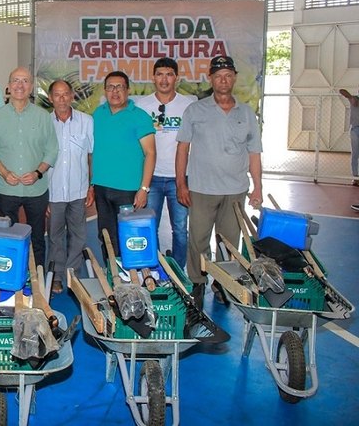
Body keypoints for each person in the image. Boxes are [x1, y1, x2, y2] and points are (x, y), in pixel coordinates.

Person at [176, 55, 263, 309]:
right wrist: (181, 184)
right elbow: (183, 149)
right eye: (218, 76)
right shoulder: (195, 110)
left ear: (234, 78)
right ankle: (198, 282)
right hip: (202, 188)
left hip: (235, 190)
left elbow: (254, 153)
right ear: (210, 79)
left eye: (227, 75)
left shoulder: (247, 114)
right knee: (199, 239)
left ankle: (222, 283)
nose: (223, 80)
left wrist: (258, 186)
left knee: (228, 241)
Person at [0, 67, 58, 267]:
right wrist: (3, 172)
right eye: (16, 81)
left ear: (31, 87)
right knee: (8, 236)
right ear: (8, 87)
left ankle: (38, 279)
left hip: (36, 189)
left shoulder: (43, 116)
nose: (20, 85)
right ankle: (11, 274)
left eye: (25, 81)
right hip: (6, 188)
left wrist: (38, 172)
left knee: (37, 237)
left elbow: (52, 149)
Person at [135, 58, 196, 268]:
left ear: (176, 78)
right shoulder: (142, 106)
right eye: (160, 74)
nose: (164, 79)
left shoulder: (188, 105)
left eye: (169, 74)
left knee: (180, 228)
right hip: (151, 178)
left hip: (179, 178)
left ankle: (178, 270)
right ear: (153, 78)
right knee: (149, 226)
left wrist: (185, 182)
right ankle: (156, 267)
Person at [92, 71, 156, 257]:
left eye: (119, 87)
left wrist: (144, 188)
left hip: (128, 191)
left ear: (128, 90)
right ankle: (113, 276)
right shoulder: (98, 114)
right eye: (110, 87)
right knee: (105, 236)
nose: (115, 91)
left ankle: (132, 279)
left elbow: (150, 153)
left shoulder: (140, 116)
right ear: (105, 91)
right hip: (102, 188)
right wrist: (91, 184)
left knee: (130, 237)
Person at [47, 80, 94, 293]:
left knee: (79, 234)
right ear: (50, 98)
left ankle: (72, 274)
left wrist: (91, 186)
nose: (62, 99)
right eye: (57, 95)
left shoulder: (87, 121)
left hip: (79, 189)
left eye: (66, 94)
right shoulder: (44, 123)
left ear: (72, 96)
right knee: (55, 235)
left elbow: (91, 156)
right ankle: (56, 275)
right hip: (54, 191)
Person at [338, 87, 359, 187]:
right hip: (355, 129)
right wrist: (350, 97)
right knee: (355, 154)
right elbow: (342, 91)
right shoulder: (354, 99)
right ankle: (355, 177)